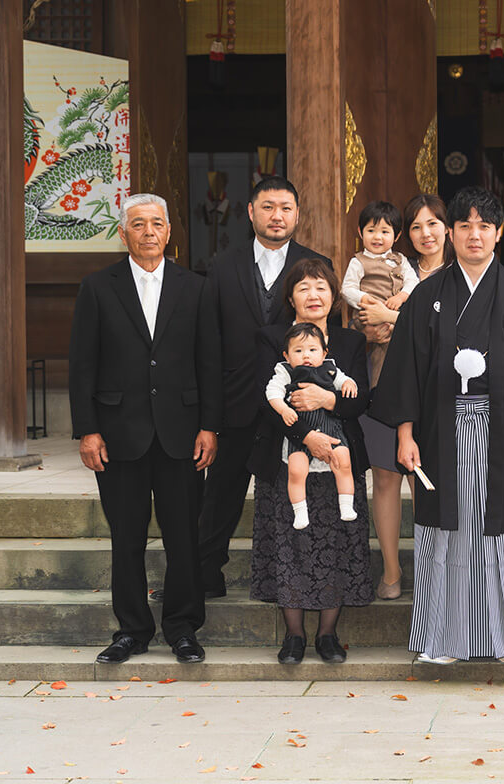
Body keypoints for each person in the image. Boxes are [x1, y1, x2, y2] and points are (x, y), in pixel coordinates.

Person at [371, 186, 504, 665]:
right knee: (447, 531)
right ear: (451, 235)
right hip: (442, 431)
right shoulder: (428, 295)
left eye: (484, 226)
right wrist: (405, 433)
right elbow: (409, 369)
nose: (474, 235)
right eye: (464, 226)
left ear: (499, 233)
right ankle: (442, 639)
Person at [153, 177, 329, 604]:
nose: (277, 216)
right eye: (268, 207)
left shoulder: (314, 266)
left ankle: (305, 578)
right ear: (250, 212)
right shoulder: (222, 265)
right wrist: (208, 417)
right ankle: (202, 577)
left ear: (297, 214)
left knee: (297, 492)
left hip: (295, 403)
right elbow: (208, 343)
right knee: (219, 495)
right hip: (235, 400)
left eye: (286, 208)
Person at [68, 193, 219, 664]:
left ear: (169, 232)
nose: (148, 231)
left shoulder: (196, 287)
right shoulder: (97, 288)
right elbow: (82, 365)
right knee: (126, 537)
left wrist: (209, 426)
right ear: (123, 232)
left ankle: (182, 627)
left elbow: (209, 362)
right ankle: (132, 628)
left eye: (157, 223)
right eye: (138, 224)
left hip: (182, 432)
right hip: (118, 434)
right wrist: (87, 430)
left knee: (183, 535)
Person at [248, 258, 373, 665]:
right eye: (304, 287)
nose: (313, 295)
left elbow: (362, 402)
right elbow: (265, 400)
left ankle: (328, 635)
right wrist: (306, 435)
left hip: (339, 463)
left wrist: (329, 400)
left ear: (334, 295)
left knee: (336, 544)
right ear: (291, 297)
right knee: (290, 546)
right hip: (287, 461)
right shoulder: (270, 339)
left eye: (321, 287)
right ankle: (294, 636)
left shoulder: (350, 342)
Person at [357, 193, 453, 600]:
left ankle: (436, 572)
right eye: (416, 226)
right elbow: (362, 316)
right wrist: (372, 325)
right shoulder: (391, 267)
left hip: (437, 394)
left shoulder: (462, 272)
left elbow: (446, 327)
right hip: (383, 381)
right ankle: (392, 572)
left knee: (426, 480)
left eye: (433, 224)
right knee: (384, 478)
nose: (425, 233)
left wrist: (392, 317)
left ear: (448, 228)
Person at [265, 323, 359, 530]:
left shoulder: (331, 368)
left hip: (330, 427)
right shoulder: (285, 371)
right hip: (300, 429)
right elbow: (272, 392)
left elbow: (345, 381)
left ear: (324, 352)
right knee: (297, 470)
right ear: (287, 355)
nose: (306, 355)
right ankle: (300, 511)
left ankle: (346, 505)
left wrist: (349, 383)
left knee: (343, 461)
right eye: (298, 351)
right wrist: (283, 409)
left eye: (312, 350)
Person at [342, 200, 419, 383]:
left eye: (385, 232)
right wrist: (366, 299)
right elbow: (347, 289)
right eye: (371, 231)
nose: (377, 237)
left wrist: (401, 297)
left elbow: (413, 281)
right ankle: (377, 390)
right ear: (360, 232)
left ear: (397, 235)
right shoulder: (358, 261)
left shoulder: (400, 259)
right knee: (379, 356)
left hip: (394, 316)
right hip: (367, 317)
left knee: (398, 351)